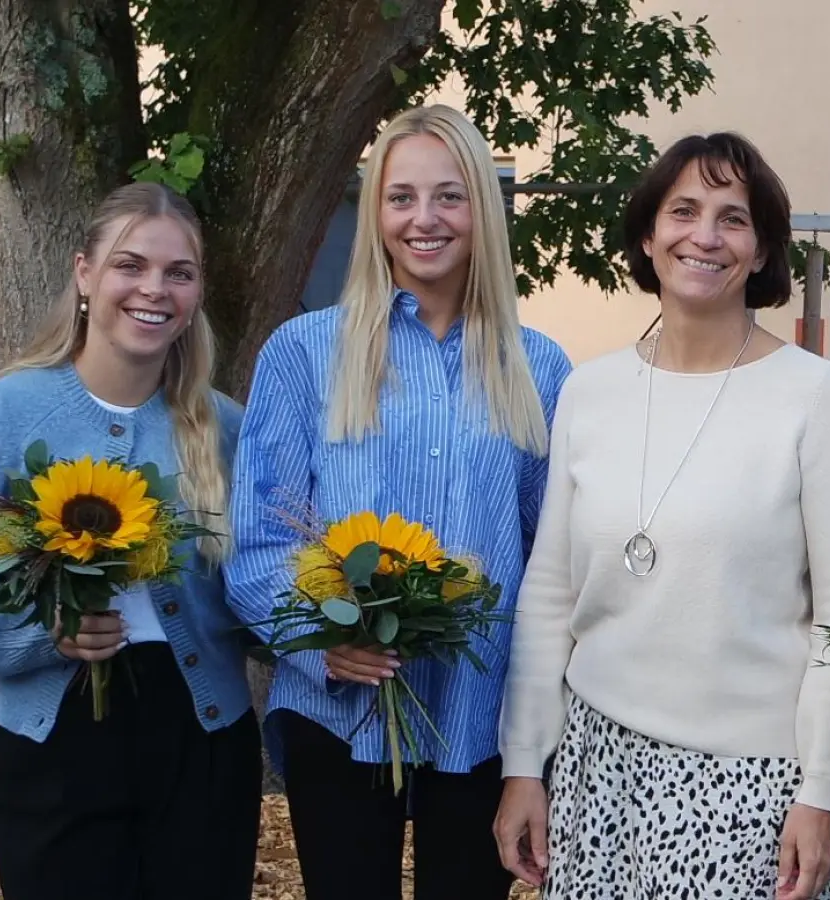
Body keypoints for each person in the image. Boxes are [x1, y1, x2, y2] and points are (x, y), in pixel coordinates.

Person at [492, 132, 830, 900]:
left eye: (733, 218)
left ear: (764, 250)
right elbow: (549, 597)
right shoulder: (590, 391)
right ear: (648, 233)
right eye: (684, 211)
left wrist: (824, 789)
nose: (705, 236)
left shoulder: (814, 393)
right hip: (596, 767)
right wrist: (523, 765)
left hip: (753, 783)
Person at [225, 104, 572, 900]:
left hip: (481, 709)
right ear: (376, 210)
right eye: (401, 196)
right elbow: (261, 539)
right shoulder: (306, 352)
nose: (425, 219)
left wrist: (535, 741)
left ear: (481, 209)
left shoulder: (540, 369)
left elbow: (553, 559)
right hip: (340, 704)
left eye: (449, 197)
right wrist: (322, 642)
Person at [0, 182, 258, 900]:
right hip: (55, 743)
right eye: (131, 265)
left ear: (196, 294)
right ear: (85, 273)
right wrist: (45, 633)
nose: (154, 289)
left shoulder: (224, 427)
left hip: (204, 740)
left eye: (178, 273)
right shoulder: (3, 413)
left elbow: (263, 581)